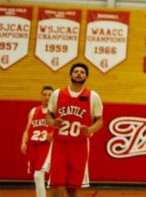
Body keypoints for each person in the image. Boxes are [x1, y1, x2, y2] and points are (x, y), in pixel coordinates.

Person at [45, 63, 103, 197]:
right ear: (70, 75)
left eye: (82, 72)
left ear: (86, 76)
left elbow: (99, 121)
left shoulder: (93, 96)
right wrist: (54, 123)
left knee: (72, 188)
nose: (79, 74)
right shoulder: (57, 94)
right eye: (76, 71)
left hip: (79, 146)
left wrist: (89, 129)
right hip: (59, 145)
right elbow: (48, 116)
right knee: (57, 185)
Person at [21, 85, 54, 197]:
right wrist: (23, 142)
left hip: (47, 146)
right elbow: (27, 129)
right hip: (34, 145)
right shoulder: (34, 111)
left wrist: (53, 136)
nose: (47, 97)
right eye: (44, 94)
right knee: (37, 175)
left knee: (38, 175)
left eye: (49, 95)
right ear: (41, 96)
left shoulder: (55, 111)